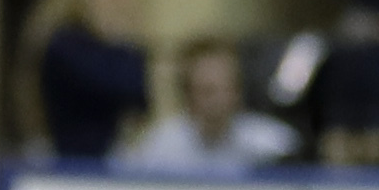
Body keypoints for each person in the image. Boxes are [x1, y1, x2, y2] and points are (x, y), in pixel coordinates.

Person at [35, 0, 150, 160]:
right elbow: (119, 85)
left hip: (109, 154)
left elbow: (141, 97)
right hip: (69, 155)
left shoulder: (116, 48)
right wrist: (118, 40)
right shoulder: (65, 44)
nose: (118, 3)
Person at [126, 36, 296, 170]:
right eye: (207, 91)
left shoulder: (273, 145)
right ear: (187, 95)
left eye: (228, 88)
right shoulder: (159, 148)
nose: (219, 100)